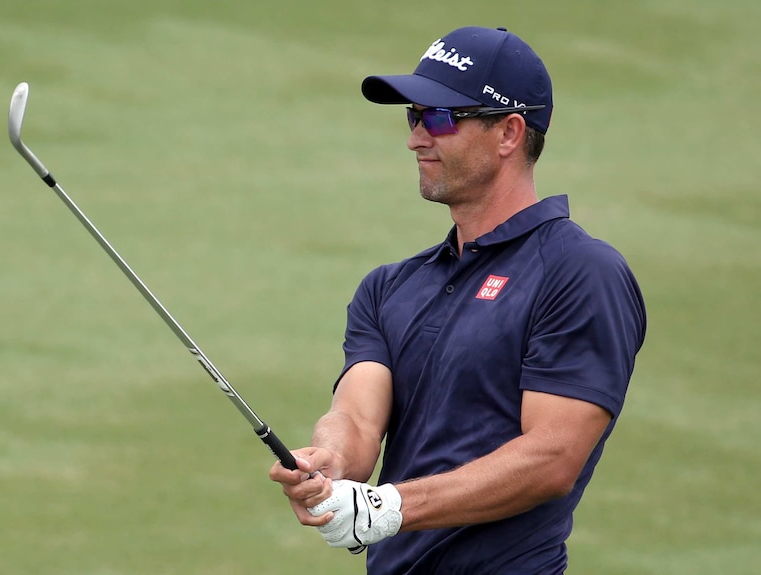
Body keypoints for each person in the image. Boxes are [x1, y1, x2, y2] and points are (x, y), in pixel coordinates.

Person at [269, 25, 646, 574]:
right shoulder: (388, 287)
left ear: (510, 133)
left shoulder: (580, 271)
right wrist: (329, 461)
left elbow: (553, 459)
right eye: (413, 117)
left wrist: (388, 505)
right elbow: (355, 416)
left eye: (440, 118)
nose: (417, 138)